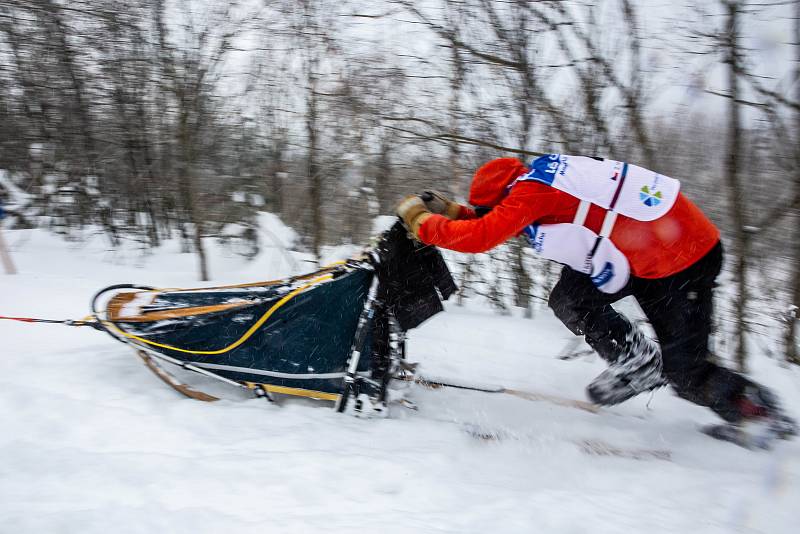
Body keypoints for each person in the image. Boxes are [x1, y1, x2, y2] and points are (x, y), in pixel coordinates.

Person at [396, 154, 796, 434]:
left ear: (504, 197)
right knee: (570, 298)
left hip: (683, 261)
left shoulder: (531, 193)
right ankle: (636, 360)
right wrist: (454, 214)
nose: (496, 215)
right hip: (642, 255)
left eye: (488, 208)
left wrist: (423, 222)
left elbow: (485, 234)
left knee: (687, 374)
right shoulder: (542, 178)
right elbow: (497, 222)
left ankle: (762, 420)